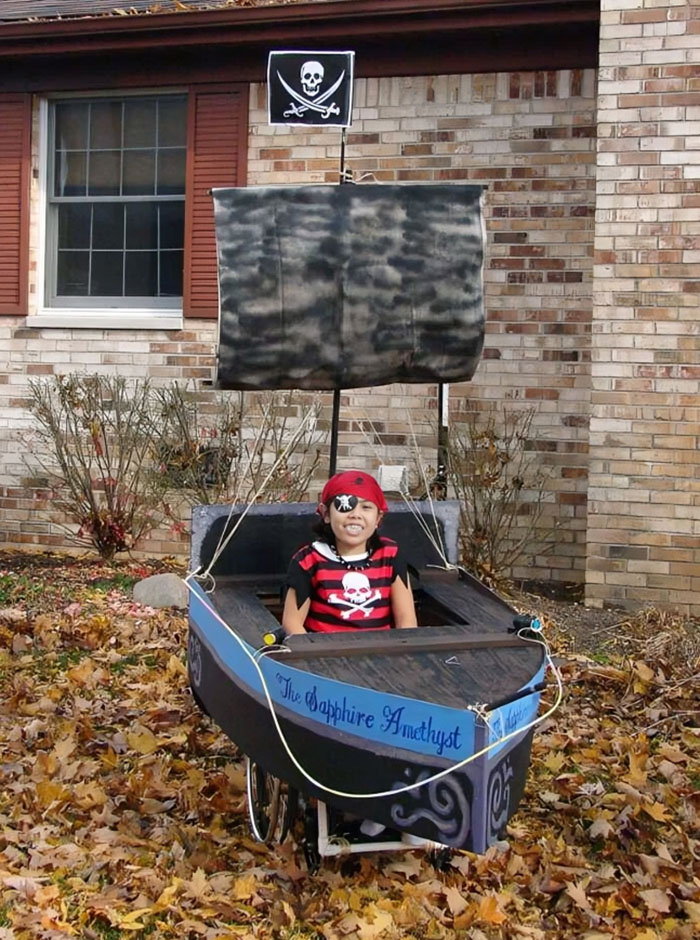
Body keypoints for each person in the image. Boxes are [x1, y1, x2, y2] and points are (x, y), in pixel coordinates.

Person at [282, 470, 417, 635]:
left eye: (366, 507)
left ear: (378, 518)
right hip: (324, 648)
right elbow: (292, 623)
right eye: (345, 506)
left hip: (381, 648)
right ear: (326, 514)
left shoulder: (390, 555)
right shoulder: (308, 560)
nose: (355, 515)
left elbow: (406, 620)